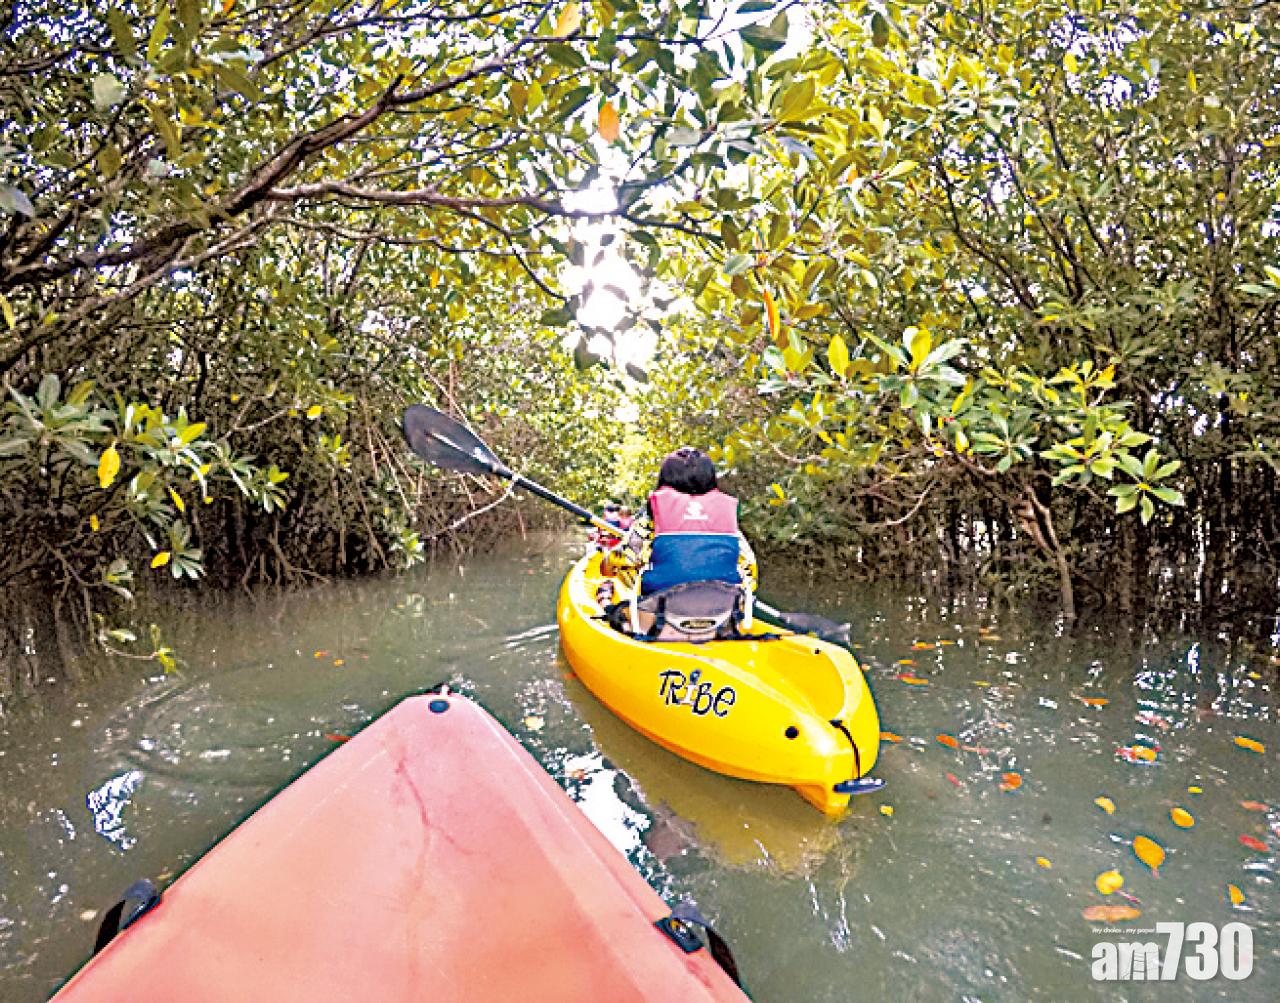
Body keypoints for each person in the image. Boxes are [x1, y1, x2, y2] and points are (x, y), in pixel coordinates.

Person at [605, 448, 756, 639]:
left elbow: (626, 559)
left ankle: (637, 626)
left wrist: (607, 564)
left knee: (628, 580)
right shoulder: (727, 522)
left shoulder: (649, 520)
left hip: (662, 618)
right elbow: (750, 569)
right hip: (720, 615)